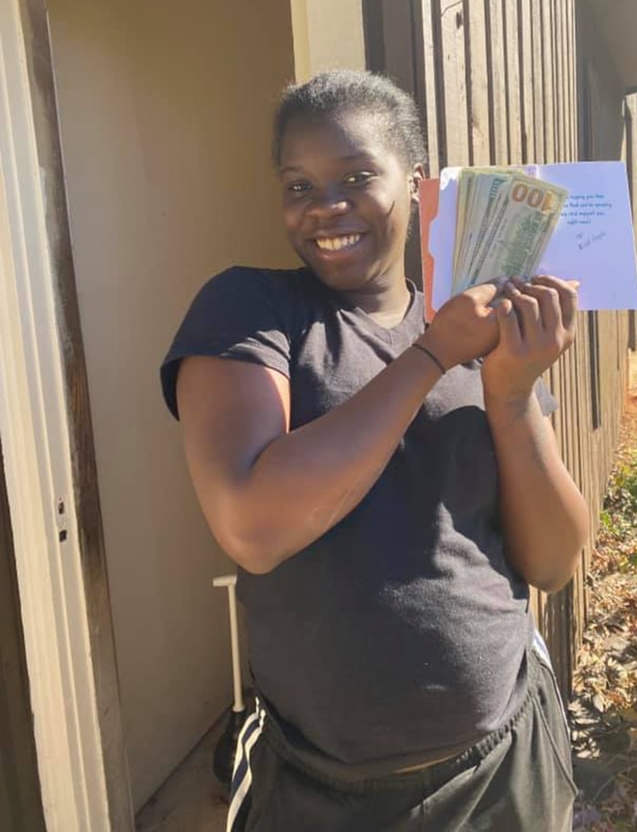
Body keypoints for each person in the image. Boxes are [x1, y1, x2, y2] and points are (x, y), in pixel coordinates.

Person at [160, 69, 589, 832]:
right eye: (299, 185)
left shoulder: (482, 329)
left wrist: (512, 392)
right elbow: (252, 525)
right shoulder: (253, 307)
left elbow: (553, 559)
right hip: (322, 790)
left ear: (419, 186)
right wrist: (430, 356)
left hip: (505, 767)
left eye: (357, 177)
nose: (325, 207)